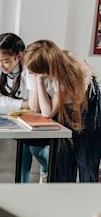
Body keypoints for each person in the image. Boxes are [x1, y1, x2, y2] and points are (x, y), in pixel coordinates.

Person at [22, 40, 101, 182]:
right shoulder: (33, 67)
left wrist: (39, 80)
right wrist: (37, 81)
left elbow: (48, 113)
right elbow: (35, 108)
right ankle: (61, 196)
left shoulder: (65, 74)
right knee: (62, 158)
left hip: (86, 105)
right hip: (63, 106)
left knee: (86, 158)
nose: (28, 72)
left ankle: (89, 198)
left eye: (33, 71)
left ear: (46, 69)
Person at [0, 33, 49, 183]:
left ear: (19, 56)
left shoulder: (29, 69)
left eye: (5, 61)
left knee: (34, 149)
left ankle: (46, 169)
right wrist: (23, 103)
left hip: (40, 114)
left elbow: (34, 106)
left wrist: (21, 103)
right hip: (17, 115)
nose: (0, 65)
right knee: (24, 149)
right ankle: (23, 185)